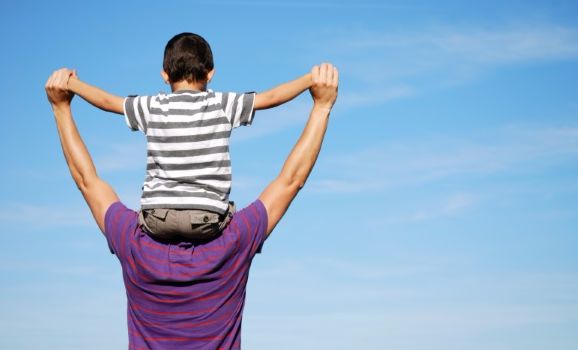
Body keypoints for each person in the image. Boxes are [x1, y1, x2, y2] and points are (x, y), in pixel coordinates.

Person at [46, 63, 338, 349]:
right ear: (209, 73)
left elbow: (87, 181)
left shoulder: (134, 243)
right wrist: (321, 107)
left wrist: (61, 109)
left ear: (165, 74)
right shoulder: (234, 240)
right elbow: (290, 181)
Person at [66, 32, 314, 241]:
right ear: (210, 73)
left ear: (165, 74)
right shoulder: (221, 104)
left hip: (157, 217)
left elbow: (108, 102)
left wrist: (72, 85)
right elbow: (269, 98)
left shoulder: (152, 106)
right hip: (207, 218)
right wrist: (309, 80)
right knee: (229, 215)